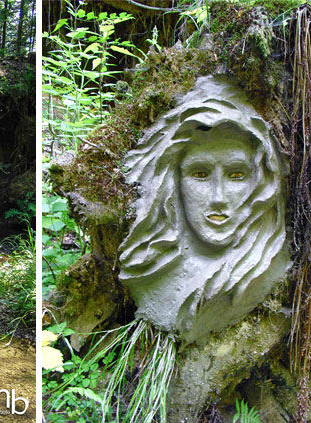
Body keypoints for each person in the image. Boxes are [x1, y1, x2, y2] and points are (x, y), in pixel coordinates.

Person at [118, 76, 289, 343]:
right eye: (200, 174)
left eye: (236, 175)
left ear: (262, 183)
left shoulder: (265, 258)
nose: (218, 198)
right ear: (171, 182)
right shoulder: (147, 264)